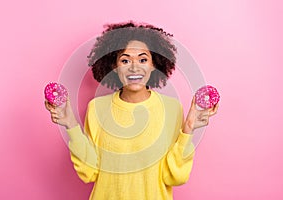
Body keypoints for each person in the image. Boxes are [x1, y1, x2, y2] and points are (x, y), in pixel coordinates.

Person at [45, 21, 218, 200]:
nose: (134, 67)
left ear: (154, 65)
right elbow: (89, 172)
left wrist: (188, 129)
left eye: (143, 59)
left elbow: (174, 176)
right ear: (114, 66)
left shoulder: (172, 109)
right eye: (125, 60)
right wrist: (71, 124)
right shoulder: (97, 108)